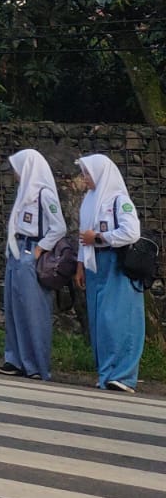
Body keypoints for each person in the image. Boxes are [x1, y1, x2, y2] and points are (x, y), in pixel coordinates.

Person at [75, 153, 146, 393]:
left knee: (118, 318)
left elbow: (131, 232)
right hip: (96, 263)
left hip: (116, 262)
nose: (84, 178)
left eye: (87, 173)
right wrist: (80, 265)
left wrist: (99, 237)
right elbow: (81, 236)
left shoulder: (118, 200)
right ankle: (106, 372)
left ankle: (124, 375)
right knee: (100, 320)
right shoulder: (89, 200)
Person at [0, 149, 65, 381]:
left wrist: (38, 250)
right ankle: (15, 359)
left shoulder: (44, 194)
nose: (14, 173)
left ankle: (35, 364)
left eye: (17, 168)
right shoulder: (23, 192)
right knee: (14, 308)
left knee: (33, 311)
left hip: (31, 251)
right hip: (17, 250)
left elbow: (59, 227)